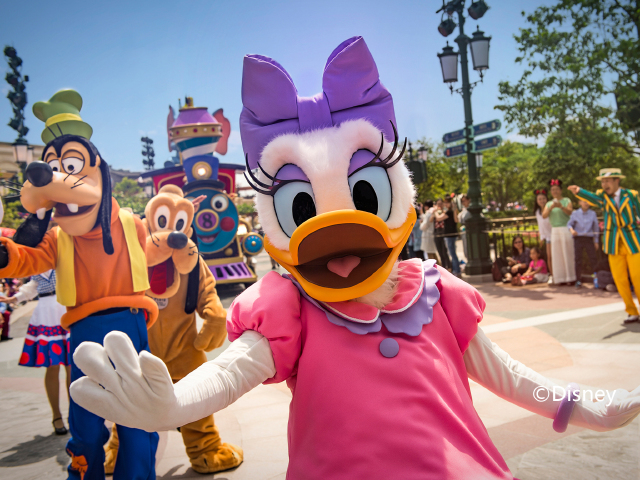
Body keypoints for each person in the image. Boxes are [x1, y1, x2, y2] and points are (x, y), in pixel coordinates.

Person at [1, 269, 70, 435]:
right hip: (46, 313)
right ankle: (57, 415)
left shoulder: (64, 258)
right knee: (52, 366)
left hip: (66, 307)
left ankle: (76, 414)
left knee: (72, 366)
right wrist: (14, 298)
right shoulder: (38, 264)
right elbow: (32, 286)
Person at [569, 168, 640, 323]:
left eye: (607, 181)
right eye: (602, 181)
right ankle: (632, 311)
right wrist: (579, 191)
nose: (604, 184)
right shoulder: (602, 196)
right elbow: (592, 197)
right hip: (613, 244)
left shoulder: (631, 195)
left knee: (638, 278)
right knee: (620, 280)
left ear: (616, 181)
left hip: (632, 242)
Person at [542, 179, 576, 285]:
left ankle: (570, 277)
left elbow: (570, 212)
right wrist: (551, 208)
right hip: (555, 230)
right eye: (553, 190)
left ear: (560, 190)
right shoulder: (549, 203)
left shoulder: (566, 200)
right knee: (557, 255)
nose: (555, 191)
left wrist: (561, 206)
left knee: (567, 253)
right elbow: (544, 215)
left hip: (565, 228)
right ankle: (560, 278)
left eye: (556, 189)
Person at [568, 199, 599, 288]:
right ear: (579, 202)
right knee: (578, 259)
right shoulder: (575, 213)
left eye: (588, 201)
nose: (586, 203)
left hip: (589, 238)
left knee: (593, 259)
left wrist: (596, 241)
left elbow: (596, 227)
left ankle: (596, 278)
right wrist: (572, 230)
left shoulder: (592, 213)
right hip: (578, 238)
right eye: (584, 201)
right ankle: (578, 280)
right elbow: (569, 224)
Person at [440, 196, 461, 276]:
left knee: (452, 253)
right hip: (449, 235)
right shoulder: (448, 211)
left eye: (447, 202)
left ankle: (457, 271)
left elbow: (439, 218)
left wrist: (435, 212)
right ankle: (456, 270)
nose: (445, 204)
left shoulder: (450, 212)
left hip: (450, 235)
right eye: (444, 202)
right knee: (452, 253)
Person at [534, 188, 552, 275]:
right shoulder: (537, 212)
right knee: (549, 257)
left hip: (555, 235)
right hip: (548, 237)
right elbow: (540, 226)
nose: (542, 201)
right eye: (539, 199)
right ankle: (552, 275)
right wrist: (542, 237)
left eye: (543, 198)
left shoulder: (551, 209)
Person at [434, 198, 451, 270]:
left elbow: (439, 218)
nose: (439, 205)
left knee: (445, 252)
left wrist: (436, 212)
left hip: (444, 234)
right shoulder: (435, 213)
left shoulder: (445, 211)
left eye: (441, 204)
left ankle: (449, 267)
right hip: (436, 234)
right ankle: (443, 268)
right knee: (440, 253)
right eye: (438, 204)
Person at [459, 195, 471, 261]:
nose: (463, 203)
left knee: (469, 249)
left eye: (464, 201)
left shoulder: (471, 209)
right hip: (464, 232)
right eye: (462, 201)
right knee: (466, 250)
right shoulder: (463, 210)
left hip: (470, 233)